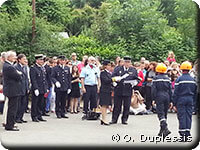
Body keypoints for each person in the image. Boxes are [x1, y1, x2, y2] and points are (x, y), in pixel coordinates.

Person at [173, 61, 197, 142]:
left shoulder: (179, 79)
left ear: (181, 69)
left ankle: (183, 134)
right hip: (190, 99)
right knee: (188, 116)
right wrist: (194, 102)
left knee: (182, 116)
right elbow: (195, 92)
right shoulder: (193, 79)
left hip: (181, 99)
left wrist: (174, 103)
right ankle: (188, 132)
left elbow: (176, 92)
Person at [110, 56, 138, 125]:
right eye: (126, 62)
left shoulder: (133, 70)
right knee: (117, 105)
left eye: (128, 62)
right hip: (119, 89)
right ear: (123, 62)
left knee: (127, 106)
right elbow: (112, 77)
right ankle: (114, 119)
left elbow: (136, 78)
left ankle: (124, 119)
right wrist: (115, 82)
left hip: (128, 89)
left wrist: (135, 83)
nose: (127, 63)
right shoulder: (118, 69)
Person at [3, 51, 22, 131]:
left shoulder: (8, 65)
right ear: (9, 57)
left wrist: (18, 73)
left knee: (12, 108)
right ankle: (10, 125)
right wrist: (19, 74)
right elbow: (18, 77)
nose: (15, 58)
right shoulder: (9, 67)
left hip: (12, 89)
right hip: (12, 90)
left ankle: (10, 123)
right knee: (12, 109)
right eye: (14, 56)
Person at [152, 63, 172, 138]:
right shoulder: (168, 78)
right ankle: (162, 131)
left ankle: (165, 128)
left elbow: (153, 90)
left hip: (159, 95)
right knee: (165, 113)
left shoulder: (156, 78)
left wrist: (153, 98)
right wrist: (171, 100)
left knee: (160, 113)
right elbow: (170, 90)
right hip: (167, 96)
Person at [30, 54, 49, 122]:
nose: (42, 61)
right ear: (37, 60)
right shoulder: (33, 68)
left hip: (42, 88)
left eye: (42, 60)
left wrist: (46, 87)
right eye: (40, 60)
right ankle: (34, 116)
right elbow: (33, 79)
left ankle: (39, 115)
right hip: (37, 88)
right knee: (35, 103)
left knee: (41, 102)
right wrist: (35, 88)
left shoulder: (42, 68)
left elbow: (44, 79)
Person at [14, 54, 29, 123]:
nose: (25, 60)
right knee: (18, 104)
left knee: (23, 104)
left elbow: (26, 78)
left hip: (25, 88)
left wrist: (28, 87)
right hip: (19, 88)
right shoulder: (16, 67)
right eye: (24, 59)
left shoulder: (25, 67)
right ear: (19, 60)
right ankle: (17, 118)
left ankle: (21, 117)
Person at [99, 60, 113, 125]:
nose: (110, 67)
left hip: (108, 90)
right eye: (109, 65)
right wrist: (113, 79)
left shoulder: (109, 73)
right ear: (105, 66)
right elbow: (105, 80)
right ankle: (104, 118)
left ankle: (103, 118)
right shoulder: (103, 73)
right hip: (104, 90)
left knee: (107, 105)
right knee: (104, 105)